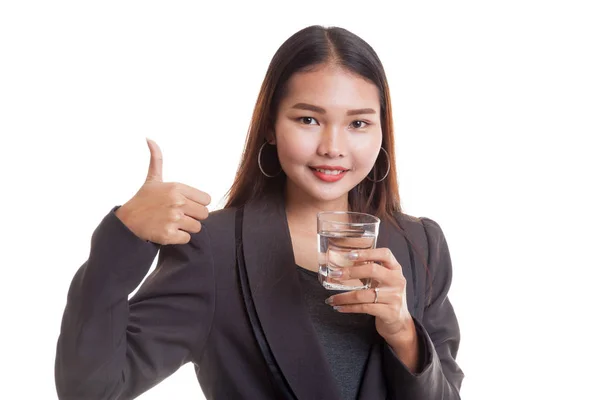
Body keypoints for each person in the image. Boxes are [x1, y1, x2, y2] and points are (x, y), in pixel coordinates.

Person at [55, 25, 464, 400]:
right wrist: (122, 238)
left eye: (358, 123)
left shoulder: (421, 245)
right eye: (308, 119)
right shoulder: (213, 251)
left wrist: (404, 335)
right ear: (270, 126)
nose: (333, 147)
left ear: (381, 130)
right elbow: (91, 390)